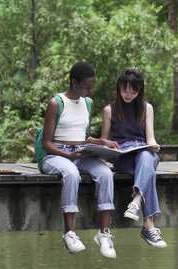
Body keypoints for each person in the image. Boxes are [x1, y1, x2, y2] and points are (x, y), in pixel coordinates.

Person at [41, 62, 116, 258]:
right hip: (57, 154)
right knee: (72, 173)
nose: (90, 90)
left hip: (80, 152)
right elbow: (46, 143)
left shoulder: (87, 103)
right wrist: (68, 156)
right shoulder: (56, 103)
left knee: (106, 173)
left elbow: (83, 136)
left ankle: (104, 233)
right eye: (86, 86)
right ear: (74, 82)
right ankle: (69, 233)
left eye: (92, 86)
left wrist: (102, 142)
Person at [100, 68, 167, 249]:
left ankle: (136, 200)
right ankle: (148, 226)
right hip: (123, 157)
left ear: (139, 91)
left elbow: (150, 138)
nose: (129, 94)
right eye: (125, 90)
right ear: (119, 88)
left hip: (143, 153)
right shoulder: (109, 110)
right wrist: (109, 145)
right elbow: (104, 141)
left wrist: (154, 145)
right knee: (149, 171)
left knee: (147, 155)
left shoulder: (147, 108)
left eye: (133, 90)